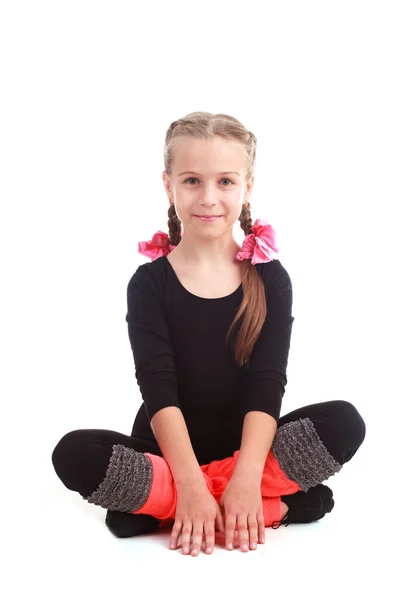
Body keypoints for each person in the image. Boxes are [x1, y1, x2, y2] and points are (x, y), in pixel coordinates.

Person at [51, 111, 366, 557]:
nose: (208, 198)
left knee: (346, 421)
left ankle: (172, 508)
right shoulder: (149, 283)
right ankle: (268, 508)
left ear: (247, 187)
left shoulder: (271, 279)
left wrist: (245, 475)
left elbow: (267, 384)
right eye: (192, 181)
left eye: (225, 182)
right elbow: (157, 387)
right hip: (166, 451)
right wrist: (189, 480)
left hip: (250, 454)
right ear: (169, 185)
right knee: (72, 453)